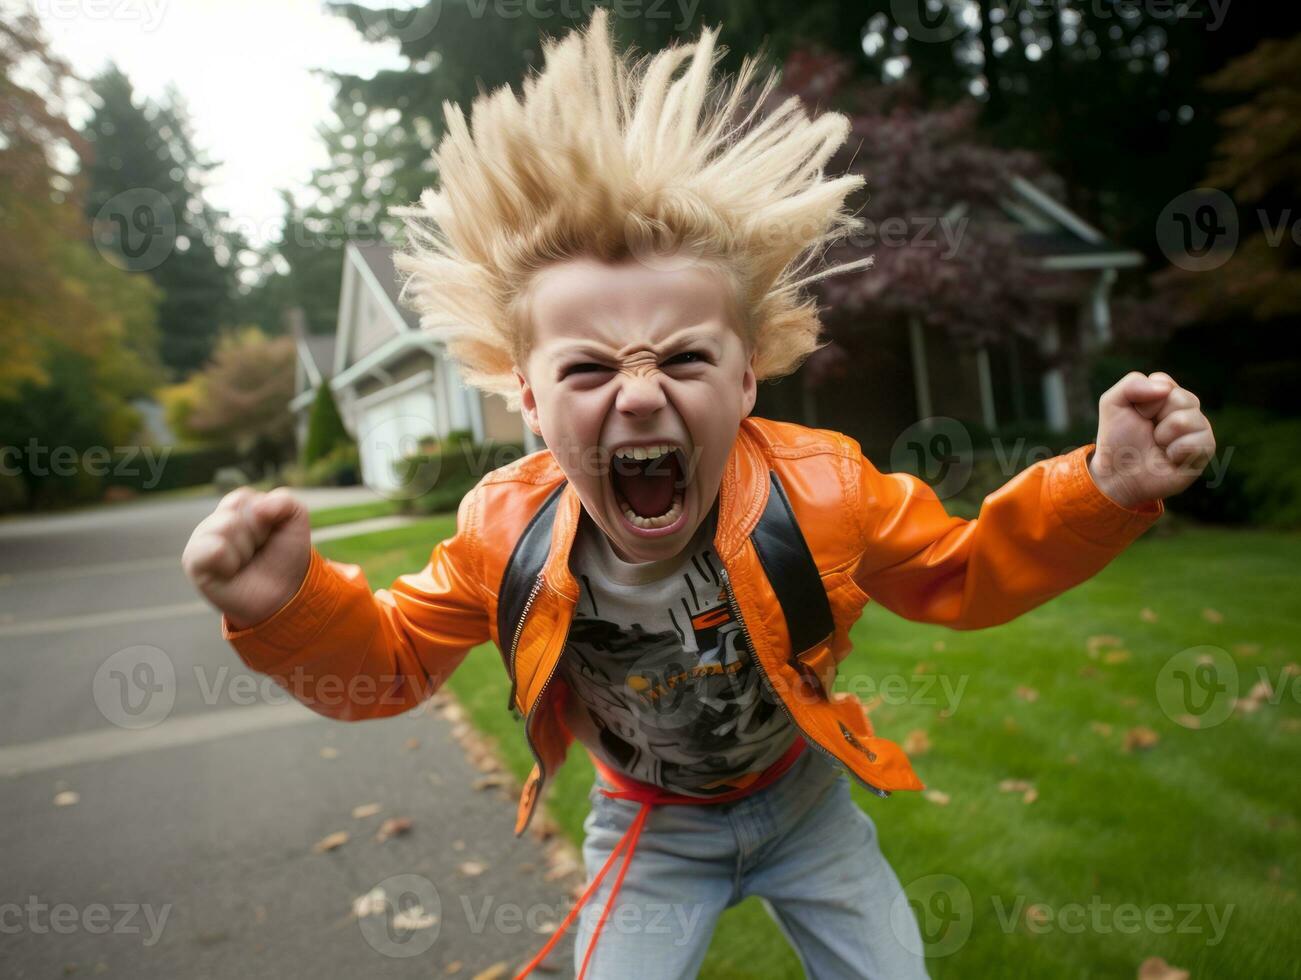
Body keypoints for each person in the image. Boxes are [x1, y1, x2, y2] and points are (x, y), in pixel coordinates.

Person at [181, 10, 1216, 978]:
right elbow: (395, 663)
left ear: (747, 378)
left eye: (682, 357)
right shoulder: (503, 530)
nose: (638, 395)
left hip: (803, 806)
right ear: (530, 403)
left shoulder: (823, 491)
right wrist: (291, 606)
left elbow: (962, 573)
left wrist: (1101, 487)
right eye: (587, 371)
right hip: (648, 826)